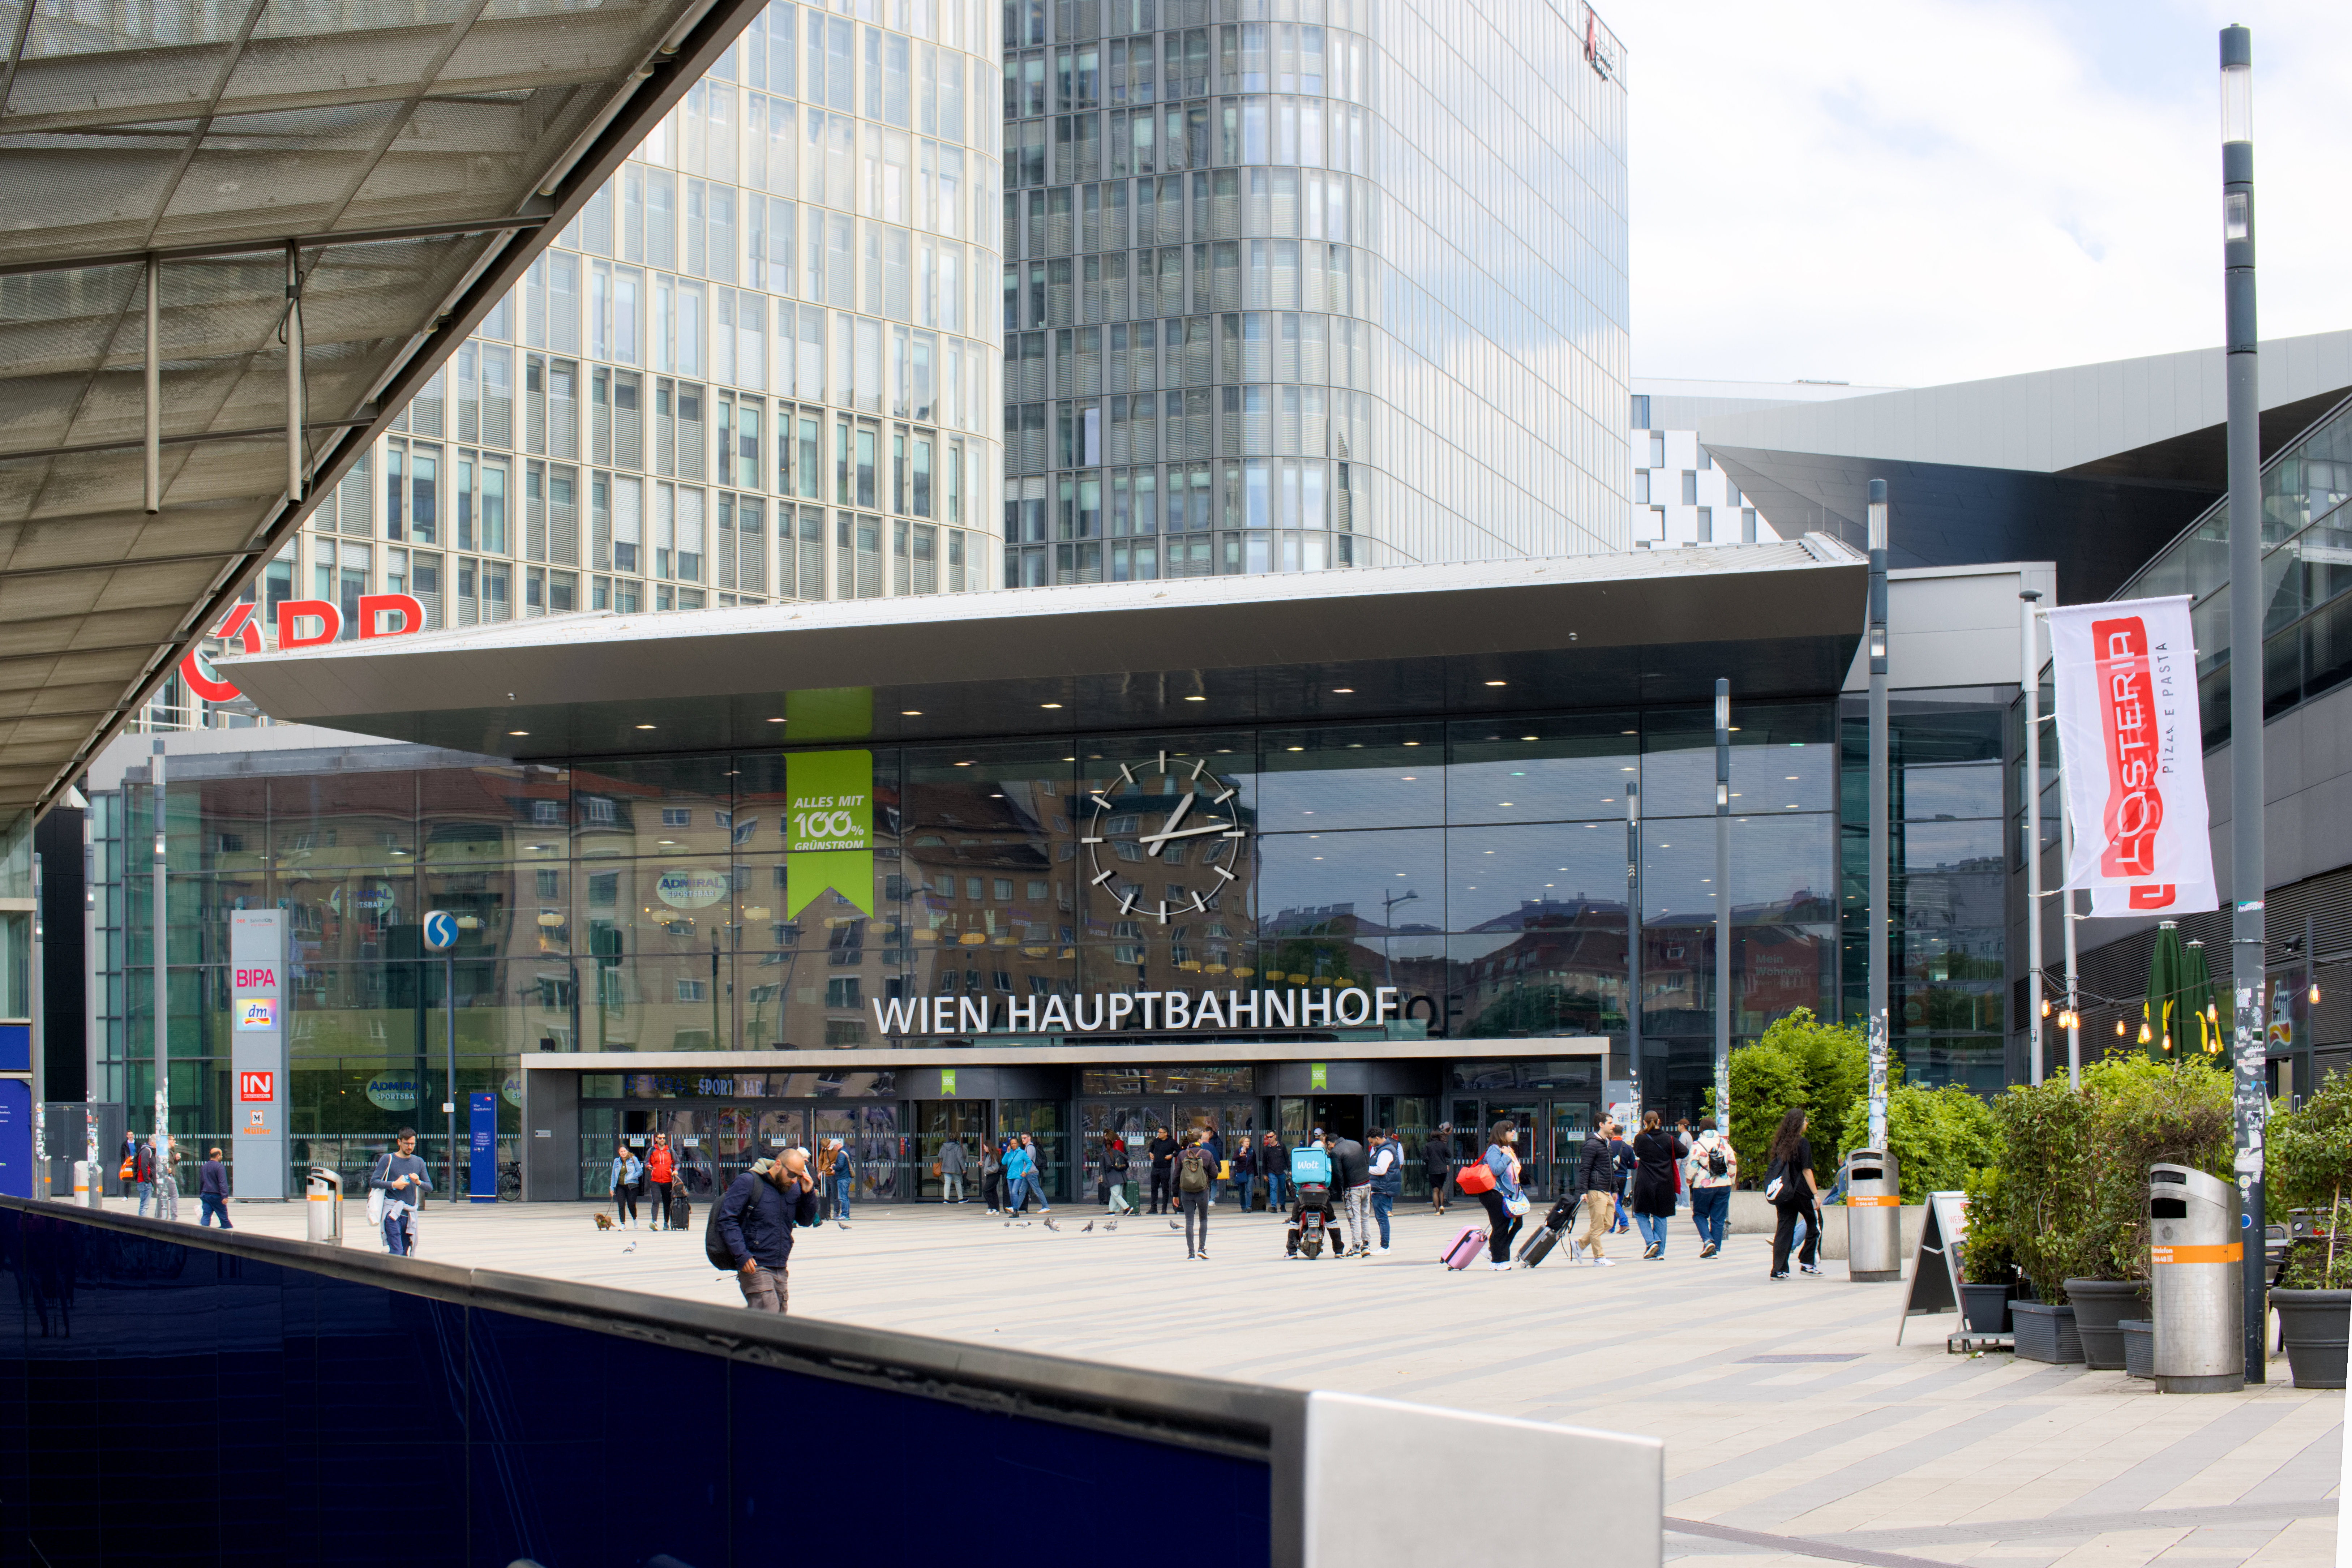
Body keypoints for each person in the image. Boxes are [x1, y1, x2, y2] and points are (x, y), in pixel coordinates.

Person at [714, 1149, 821, 1312]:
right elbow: (727, 1219)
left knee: (777, 1319)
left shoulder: (792, 1189)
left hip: (780, 1265)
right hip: (755, 1264)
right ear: (778, 1165)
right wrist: (742, 1255)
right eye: (792, 1175)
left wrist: (808, 1194)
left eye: (798, 1176)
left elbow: (805, 1221)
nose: (794, 1181)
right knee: (768, 1316)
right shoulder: (749, 1182)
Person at [1766, 1108, 1824, 1278]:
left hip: (1784, 1193)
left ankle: (1778, 1269)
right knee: (1815, 1223)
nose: (1807, 1123)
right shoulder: (1803, 1143)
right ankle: (1807, 1263)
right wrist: (1816, 1195)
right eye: (1806, 1120)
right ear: (1800, 1123)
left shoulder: (1781, 1144)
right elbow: (1807, 1171)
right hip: (1801, 1192)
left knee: (1784, 1229)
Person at [370, 1128, 434, 1255]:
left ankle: (388, 1270)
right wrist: (394, 1185)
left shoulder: (419, 1162)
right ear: (399, 1142)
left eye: (413, 1144)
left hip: (409, 1214)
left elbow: (430, 1187)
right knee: (397, 1251)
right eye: (407, 1144)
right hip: (392, 1213)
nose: (410, 1147)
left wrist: (418, 1182)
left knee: (404, 1252)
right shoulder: (388, 1159)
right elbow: (374, 1182)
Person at [1475, 1121, 1527, 1271]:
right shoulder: (1494, 1149)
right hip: (1493, 1194)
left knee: (1517, 1224)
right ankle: (1497, 1261)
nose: (1513, 1133)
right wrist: (1505, 1156)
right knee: (1501, 1226)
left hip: (1506, 1194)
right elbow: (1496, 1169)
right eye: (1510, 1130)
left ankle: (1493, 1250)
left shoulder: (1506, 1149)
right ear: (1501, 1133)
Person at [1629, 1110, 1680, 1259]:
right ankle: (1660, 1253)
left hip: (1645, 1182)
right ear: (1659, 1122)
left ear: (1644, 1123)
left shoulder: (1640, 1139)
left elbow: (1637, 1153)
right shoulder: (1669, 1138)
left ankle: (1651, 1242)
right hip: (1665, 1183)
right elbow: (1683, 1151)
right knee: (1661, 1216)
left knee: (1640, 1213)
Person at [1686, 1117, 1737, 1258]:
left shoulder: (1698, 1144)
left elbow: (1692, 1164)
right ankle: (1715, 1249)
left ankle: (1708, 1242)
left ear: (1701, 1130)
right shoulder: (1724, 1143)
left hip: (1703, 1185)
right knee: (1718, 1218)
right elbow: (1732, 1163)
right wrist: (1731, 1179)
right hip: (1724, 1185)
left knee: (1700, 1215)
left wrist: (1689, 1180)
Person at [1574, 1120, 1618, 1266]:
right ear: (1601, 1124)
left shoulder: (1606, 1144)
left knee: (1608, 1223)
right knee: (1597, 1226)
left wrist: (1615, 1189)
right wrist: (1584, 1191)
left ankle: (1580, 1245)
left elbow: (1610, 1168)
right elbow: (1585, 1168)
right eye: (1610, 1123)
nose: (1613, 1126)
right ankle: (1599, 1258)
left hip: (1606, 1191)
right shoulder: (1591, 1144)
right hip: (1596, 1190)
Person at [1329, 1127, 1372, 1259]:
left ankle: (1356, 1248)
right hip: (1366, 1184)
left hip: (1353, 1188)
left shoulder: (1336, 1152)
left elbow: (1338, 1173)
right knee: (1365, 1216)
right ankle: (1366, 1246)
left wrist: (1341, 1189)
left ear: (1330, 1143)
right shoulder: (1356, 1144)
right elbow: (1366, 1162)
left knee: (1354, 1218)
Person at [1175, 1130, 1216, 1259]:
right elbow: (1215, 1174)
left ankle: (1191, 1253)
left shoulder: (1182, 1155)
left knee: (1189, 1221)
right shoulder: (1207, 1154)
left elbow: (1176, 1175)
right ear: (1200, 1140)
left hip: (1186, 1192)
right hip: (1203, 1191)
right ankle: (1202, 1249)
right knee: (1203, 1219)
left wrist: (1175, 1194)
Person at [1367, 1128, 1402, 1254]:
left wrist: (1367, 1170)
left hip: (1383, 1188)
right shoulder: (1382, 1149)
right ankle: (1384, 1245)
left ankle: (1385, 1246)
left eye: (1371, 1142)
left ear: (1377, 1139)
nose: (1371, 1145)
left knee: (1382, 1218)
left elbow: (1381, 1170)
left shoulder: (1385, 1151)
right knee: (1381, 1217)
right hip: (1382, 1187)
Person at [646, 1133, 677, 1230]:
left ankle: (666, 1223)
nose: (662, 1140)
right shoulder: (652, 1150)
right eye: (660, 1138)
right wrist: (649, 1167)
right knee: (656, 1201)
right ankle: (654, 1222)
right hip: (655, 1180)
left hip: (668, 1180)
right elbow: (646, 1161)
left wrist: (676, 1170)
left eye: (664, 1138)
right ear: (656, 1139)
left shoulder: (670, 1151)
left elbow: (678, 1163)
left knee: (667, 1202)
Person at [609, 1141, 642, 1229]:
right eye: (621, 1152)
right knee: (621, 1205)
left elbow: (640, 1171)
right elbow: (614, 1175)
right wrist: (612, 1188)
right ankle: (623, 1224)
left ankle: (635, 1219)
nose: (623, 1153)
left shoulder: (633, 1159)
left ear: (627, 1151)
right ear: (619, 1153)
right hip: (620, 1186)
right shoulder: (617, 1161)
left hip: (632, 1186)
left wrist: (633, 1176)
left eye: (624, 1151)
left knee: (631, 1204)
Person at [197, 1147, 232, 1228]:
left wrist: (201, 1194)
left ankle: (203, 1231)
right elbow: (222, 1182)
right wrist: (225, 1196)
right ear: (218, 1156)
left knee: (206, 1215)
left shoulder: (204, 1167)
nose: (222, 1157)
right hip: (216, 1196)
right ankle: (227, 1233)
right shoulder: (220, 1167)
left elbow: (202, 1181)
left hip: (205, 1195)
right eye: (221, 1155)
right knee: (224, 1219)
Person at [1147, 1126, 1177, 1215]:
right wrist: (1150, 1153)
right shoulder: (1156, 1140)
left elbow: (1179, 1151)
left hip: (1165, 1169)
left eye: (1160, 1132)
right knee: (1154, 1189)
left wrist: (1172, 1156)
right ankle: (1153, 1208)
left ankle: (1164, 1208)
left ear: (1165, 1134)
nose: (1159, 1134)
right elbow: (1151, 1147)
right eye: (1158, 1132)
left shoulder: (1172, 1142)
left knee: (1165, 1189)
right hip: (1156, 1168)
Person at [1425, 1124, 1454, 1214]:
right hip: (1443, 1169)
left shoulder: (1428, 1146)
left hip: (1433, 1169)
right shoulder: (1443, 1145)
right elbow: (1449, 1155)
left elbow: (1424, 1157)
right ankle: (1442, 1205)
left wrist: (1430, 1162)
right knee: (1441, 1188)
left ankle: (1437, 1210)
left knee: (1435, 1190)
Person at [1103, 1134, 1136, 1214]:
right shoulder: (1117, 1152)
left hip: (1114, 1177)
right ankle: (1112, 1211)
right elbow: (1127, 1157)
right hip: (1122, 1176)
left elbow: (1108, 1165)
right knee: (1115, 1194)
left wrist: (1107, 1170)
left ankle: (1128, 1208)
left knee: (1116, 1194)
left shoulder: (1106, 1153)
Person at [1231, 1134, 1259, 1212]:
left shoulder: (1252, 1151)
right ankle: (1243, 1206)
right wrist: (1240, 1156)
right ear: (1242, 1143)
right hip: (1241, 1173)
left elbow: (1254, 1163)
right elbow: (1234, 1159)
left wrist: (1256, 1174)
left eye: (1248, 1142)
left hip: (1250, 1172)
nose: (1247, 1143)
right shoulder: (1239, 1151)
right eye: (1246, 1142)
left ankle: (1249, 1207)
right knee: (1241, 1191)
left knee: (1249, 1189)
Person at [1261, 1132, 1287, 1213]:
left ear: (1275, 1137)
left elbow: (1287, 1158)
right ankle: (1274, 1206)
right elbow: (1264, 1162)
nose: (1269, 1139)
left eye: (1271, 1137)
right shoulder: (1266, 1149)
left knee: (1283, 1188)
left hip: (1282, 1171)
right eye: (1268, 1137)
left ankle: (1282, 1205)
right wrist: (1265, 1174)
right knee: (1273, 1188)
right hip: (1272, 1171)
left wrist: (1290, 1170)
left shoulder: (1282, 1146)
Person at [831, 1139, 855, 1222]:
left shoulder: (841, 1154)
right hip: (847, 1177)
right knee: (845, 1197)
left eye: (834, 1148)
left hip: (843, 1178)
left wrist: (833, 1167)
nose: (834, 1150)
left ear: (837, 1146)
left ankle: (845, 1215)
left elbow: (840, 1166)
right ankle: (846, 1214)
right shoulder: (846, 1152)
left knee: (842, 1197)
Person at [939, 1135, 969, 1204]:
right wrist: (964, 1169)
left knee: (947, 1183)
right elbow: (960, 1159)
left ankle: (946, 1199)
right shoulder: (957, 1147)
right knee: (958, 1182)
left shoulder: (944, 1146)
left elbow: (940, 1156)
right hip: (955, 1168)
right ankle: (961, 1199)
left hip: (946, 1168)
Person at [132, 1136, 157, 1217]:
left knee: (144, 1205)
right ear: (153, 1143)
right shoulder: (147, 1151)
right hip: (144, 1182)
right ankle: (142, 1221)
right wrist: (147, 1179)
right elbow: (144, 1166)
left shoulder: (145, 1150)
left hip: (144, 1181)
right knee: (144, 1205)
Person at [981, 1138, 1005, 1213]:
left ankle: (992, 1208)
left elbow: (995, 1168)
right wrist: (983, 1164)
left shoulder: (993, 1155)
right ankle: (997, 1209)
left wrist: (986, 1170)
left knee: (986, 1190)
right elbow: (991, 1165)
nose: (984, 1149)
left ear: (988, 1147)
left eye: (985, 1147)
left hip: (993, 1176)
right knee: (993, 1191)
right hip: (992, 1175)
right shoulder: (990, 1155)